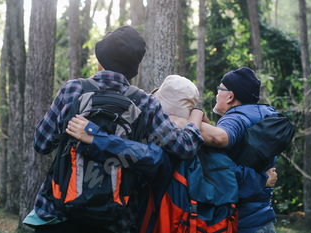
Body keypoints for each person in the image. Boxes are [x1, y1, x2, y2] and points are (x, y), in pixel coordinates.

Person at [25, 26, 206, 233]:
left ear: (101, 60)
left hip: (58, 213)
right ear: (132, 68)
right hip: (116, 219)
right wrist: (195, 117)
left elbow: (41, 143)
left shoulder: (73, 89)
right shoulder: (145, 103)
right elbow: (185, 148)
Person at [65, 74, 278, 233]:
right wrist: (263, 180)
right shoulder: (198, 144)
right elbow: (231, 174)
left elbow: (141, 156)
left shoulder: (148, 134)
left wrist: (96, 138)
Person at [174, 67, 278, 233]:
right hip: (262, 218)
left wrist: (177, 119)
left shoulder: (236, 118)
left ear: (230, 96)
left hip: (243, 223)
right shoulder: (263, 116)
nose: (217, 94)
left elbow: (220, 139)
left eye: (219, 89)